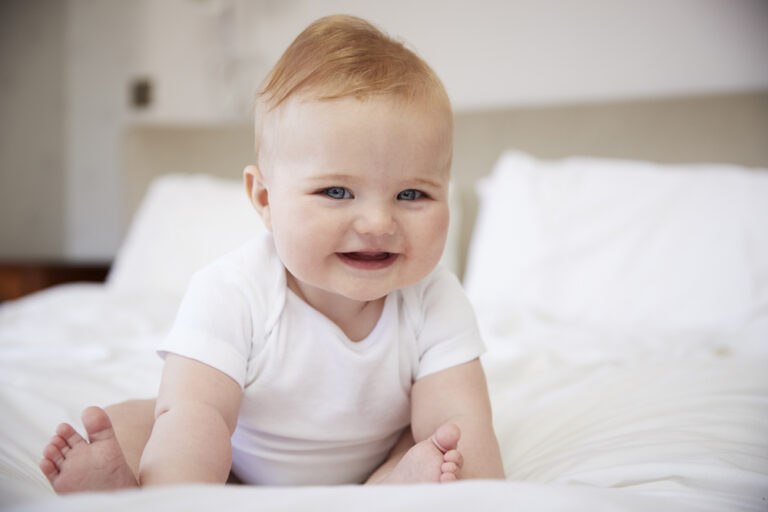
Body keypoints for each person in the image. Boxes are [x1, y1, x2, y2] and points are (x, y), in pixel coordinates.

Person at [39, 14, 505, 492]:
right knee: (153, 418)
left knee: (434, 443)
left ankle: (390, 487)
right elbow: (199, 413)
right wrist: (178, 493)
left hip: (373, 463)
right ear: (264, 198)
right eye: (337, 192)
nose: (378, 224)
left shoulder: (434, 299)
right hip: (236, 462)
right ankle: (126, 488)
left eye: (412, 195)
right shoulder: (231, 290)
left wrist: (473, 478)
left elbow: (461, 417)